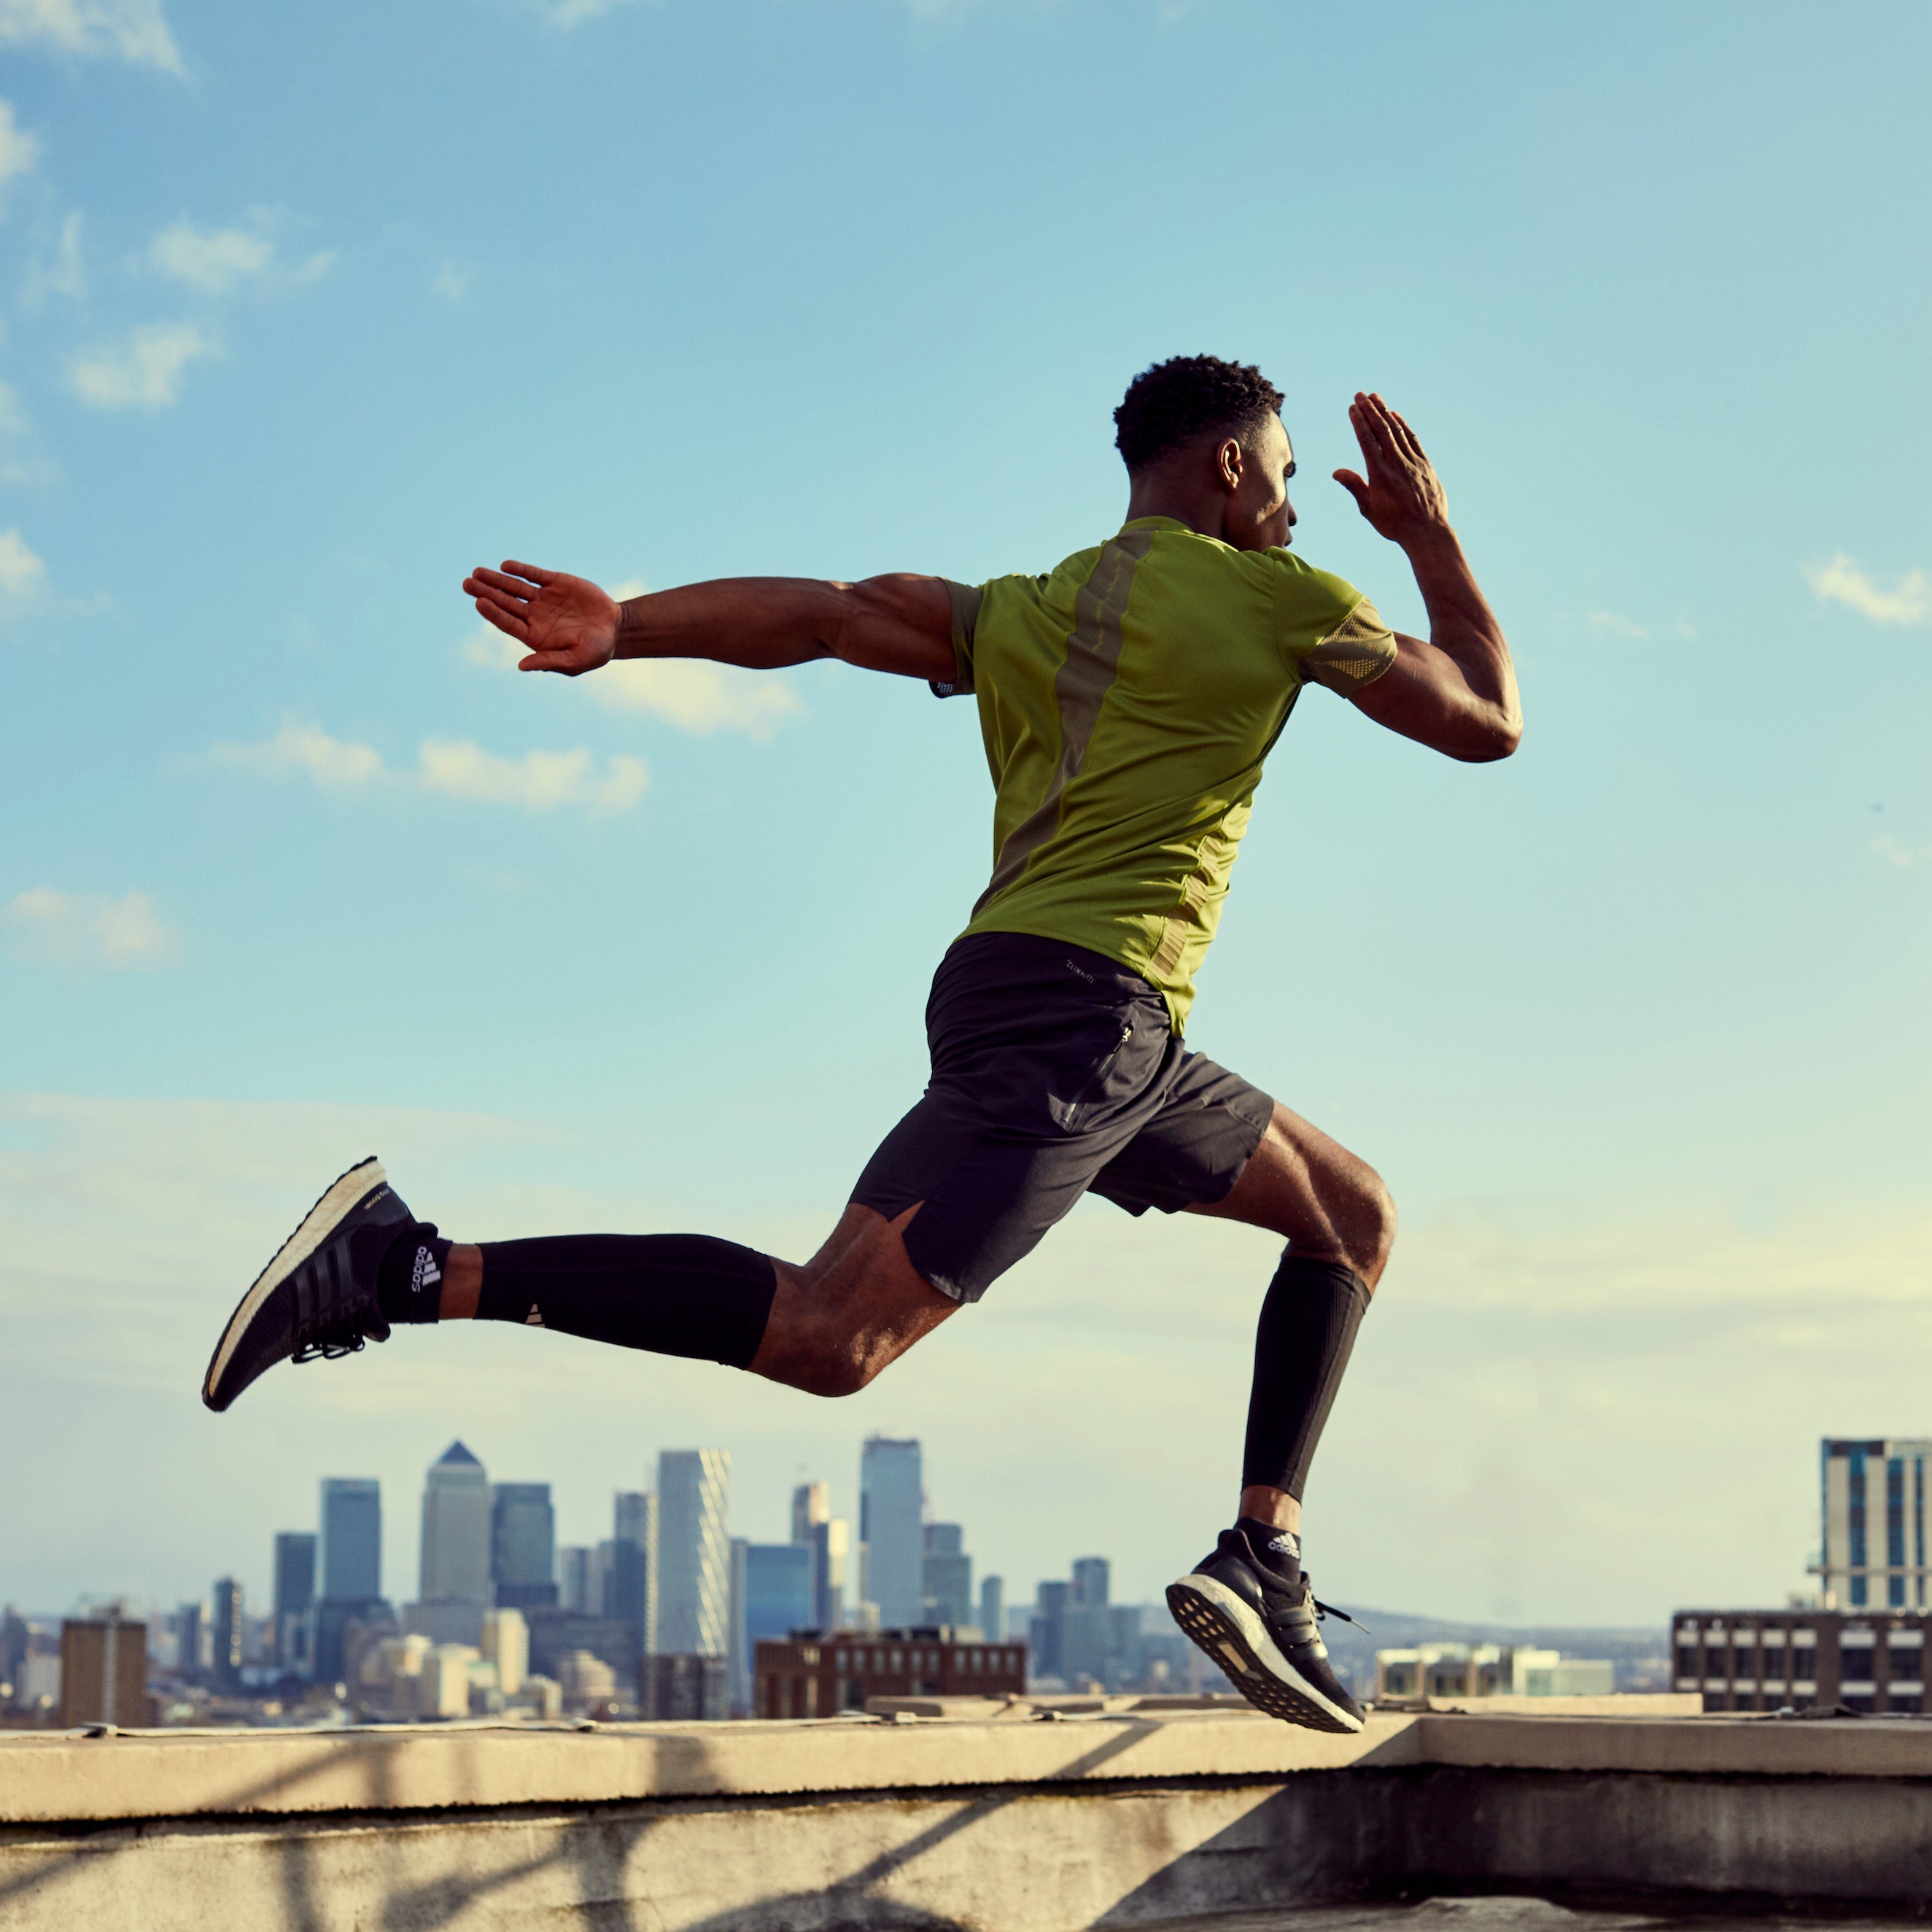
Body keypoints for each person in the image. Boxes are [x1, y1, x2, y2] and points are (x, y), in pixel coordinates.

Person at [201, 358, 1519, 1733]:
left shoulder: (1029, 608)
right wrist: (1426, 536)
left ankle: (1264, 1549)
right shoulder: (1282, 598)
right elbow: (1485, 720)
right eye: (1291, 475)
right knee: (832, 1336)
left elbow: (827, 617)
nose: (1302, 508)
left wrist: (630, 627)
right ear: (1233, 467)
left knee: (1349, 1214)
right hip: (1085, 1022)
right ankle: (409, 1267)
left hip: (1064, 1009)